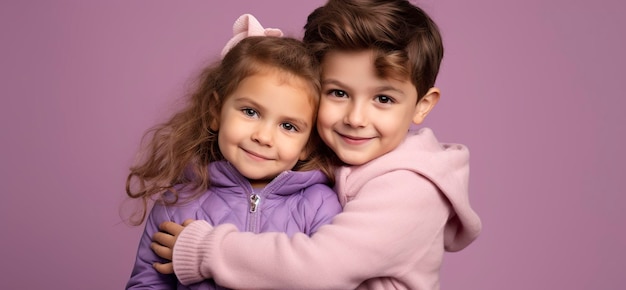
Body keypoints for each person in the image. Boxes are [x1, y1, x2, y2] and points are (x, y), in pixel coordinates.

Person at [152, 0, 482, 289]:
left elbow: (322, 267)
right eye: (338, 92)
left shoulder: (412, 188)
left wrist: (207, 250)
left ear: (422, 105)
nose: (355, 117)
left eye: (383, 98)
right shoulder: (326, 166)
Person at [125, 14, 342, 289]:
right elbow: (147, 283)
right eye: (250, 112)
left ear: (308, 144)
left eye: (288, 126)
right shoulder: (177, 204)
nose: (263, 137)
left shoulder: (319, 206)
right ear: (216, 112)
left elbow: (329, 278)